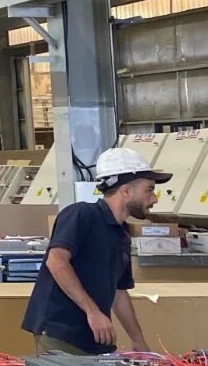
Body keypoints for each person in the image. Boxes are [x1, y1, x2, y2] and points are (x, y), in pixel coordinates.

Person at [22, 148, 165, 355]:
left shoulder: (122, 233)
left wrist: (138, 341)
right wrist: (93, 312)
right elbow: (56, 262)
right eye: (149, 190)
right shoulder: (82, 214)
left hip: (94, 338)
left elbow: (119, 292)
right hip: (61, 333)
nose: (154, 199)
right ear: (126, 191)